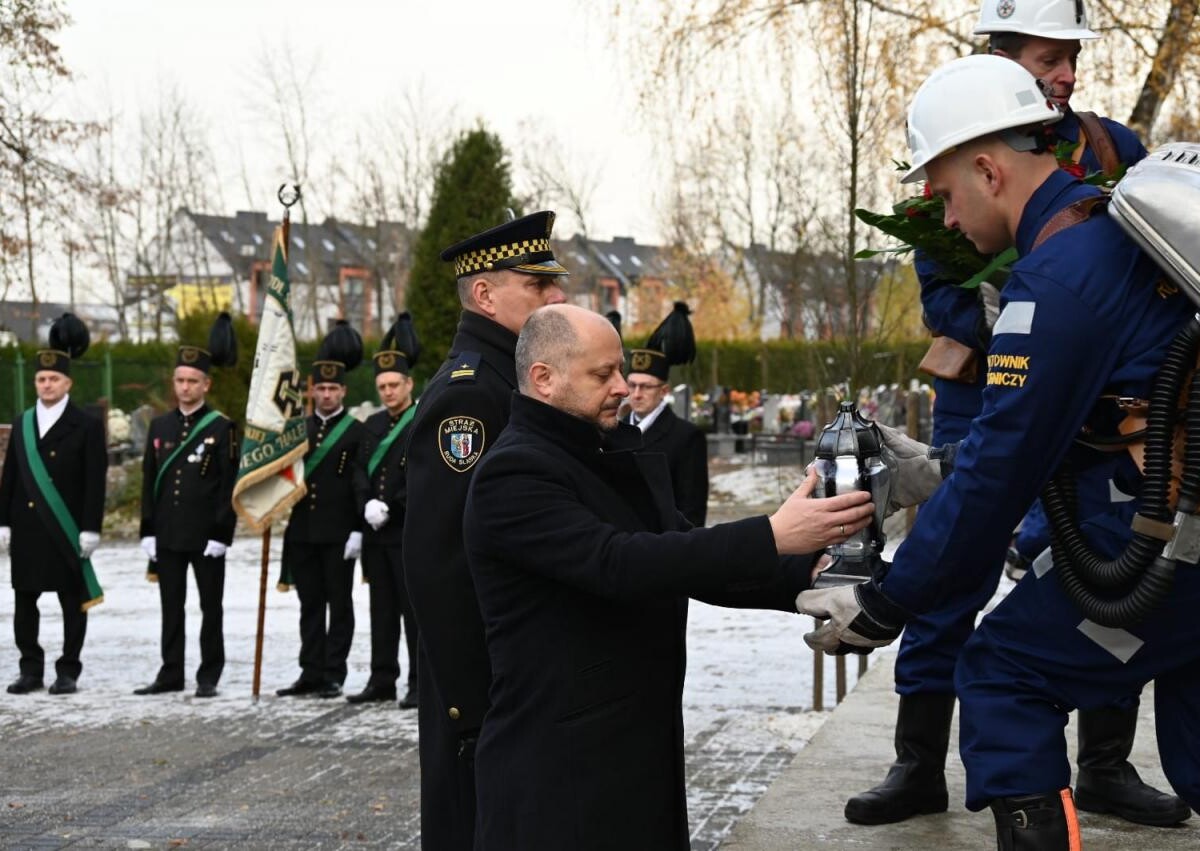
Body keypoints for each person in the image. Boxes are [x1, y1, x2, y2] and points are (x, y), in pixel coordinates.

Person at [798, 54, 1198, 847]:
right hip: (1180, 530)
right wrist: (928, 467)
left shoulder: (1055, 279)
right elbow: (1074, 429)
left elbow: (1000, 478)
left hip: (1171, 555)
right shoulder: (1113, 234)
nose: (945, 221)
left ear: (988, 168)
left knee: (1003, 673)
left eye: (945, 194)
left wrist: (883, 605)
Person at [464, 304, 875, 849]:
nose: (623, 388)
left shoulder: (602, 450)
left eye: (621, 372)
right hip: (561, 766)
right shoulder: (513, 471)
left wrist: (812, 573)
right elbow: (618, 564)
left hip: (633, 745)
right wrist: (773, 534)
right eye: (602, 374)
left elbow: (686, 557)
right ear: (544, 378)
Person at [402, 210, 568, 850]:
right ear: (484, 294)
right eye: (537, 285)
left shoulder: (513, 377)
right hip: (481, 684)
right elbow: (440, 562)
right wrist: (470, 704)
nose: (556, 297)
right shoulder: (472, 393)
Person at [0, 313, 106, 696]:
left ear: (68, 383)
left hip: (67, 527)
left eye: (54, 379)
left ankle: (68, 670)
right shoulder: (22, 423)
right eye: (41, 379)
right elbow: (10, 476)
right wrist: (3, 522)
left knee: (71, 602)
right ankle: (30, 669)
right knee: (25, 601)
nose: (47, 385)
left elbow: (95, 482)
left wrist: (92, 527)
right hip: (27, 529)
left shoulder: (87, 425)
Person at [135, 314, 239, 699]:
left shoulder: (221, 427)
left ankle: (209, 674)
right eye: (180, 380)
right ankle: (170, 671)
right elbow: (150, 479)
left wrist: (222, 532)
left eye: (193, 381)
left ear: (206, 384)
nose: (185, 387)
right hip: (168, 532)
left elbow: (229, 484)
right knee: (170, 607)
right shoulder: (159, 426)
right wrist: (147, 528)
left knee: (211, 608)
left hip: (205, 534)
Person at [277, 320, 367, 700]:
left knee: (339, 605)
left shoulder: (355, 432)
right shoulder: (296, 429)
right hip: (303, 531)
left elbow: (360, 483)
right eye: (321, 388)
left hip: (338, 532)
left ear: (343, 391)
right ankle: (310, 671)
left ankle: (334, 673)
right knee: (309, 605)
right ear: (311, 390)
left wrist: (358, 529)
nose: (326, 394)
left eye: (333, 389)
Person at [348, 314, 421, 709]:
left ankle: (417, 683)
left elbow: (423, 476)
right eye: (382, 387)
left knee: (412, 612)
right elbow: (359, 471)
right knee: (381, 611)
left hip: (406, 531)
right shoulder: (372, 424)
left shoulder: (420, 421)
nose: (388, 392)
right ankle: (382, 679)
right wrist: (366, 505)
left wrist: (391, 505)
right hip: (376, 534)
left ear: (408, 384)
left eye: (394, 385)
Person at [624, 302, 709, 527]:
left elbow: (692, 510)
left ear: (664, 391)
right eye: (631, 385)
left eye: (646, 387)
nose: (637, 394)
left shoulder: (686, 437)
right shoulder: (614, 431)